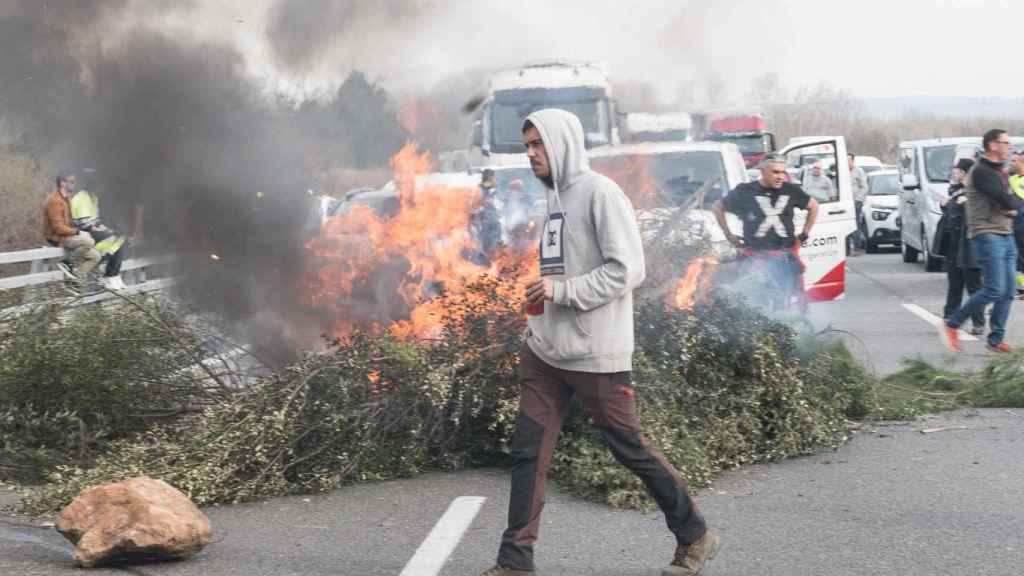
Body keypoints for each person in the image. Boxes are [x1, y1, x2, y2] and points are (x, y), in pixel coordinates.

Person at [481, 109, 719, 576]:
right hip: (545, 351)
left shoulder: (600, 194)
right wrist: (540, 296)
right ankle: (515, 562)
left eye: (538, 145)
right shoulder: (551, 199)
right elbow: (560, 270)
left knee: (628, 446)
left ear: (562, 144)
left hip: (595, 354)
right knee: (529, 451)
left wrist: (562, 292)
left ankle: (695, 534)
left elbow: (628, 269)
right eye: (527, 146)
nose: (531, 154)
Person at [941, 129, 1024, 353]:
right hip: (987, 233)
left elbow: (1011, 201)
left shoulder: (1001, 171)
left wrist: (1011, 205)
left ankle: (995, 341)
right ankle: (953, 323)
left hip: (1005, 233)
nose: (1010, 147)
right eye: (1005, 143)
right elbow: (1005, 200)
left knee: (1007, 291)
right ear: (992, 145)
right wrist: (1012, 206)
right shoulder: (982, 171)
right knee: (994, 288)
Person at [712, 153, 820, 311]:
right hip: (754, 257)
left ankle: (785, 330)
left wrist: (804, 234)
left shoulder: (791, 190)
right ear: (762, 171)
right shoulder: (745, 191)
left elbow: (814, 206)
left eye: (783, 172)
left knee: (784, 301)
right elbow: (717, 207)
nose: (781, 177)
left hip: (783, 257)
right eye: (775, 172)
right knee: (751, 301)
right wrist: (728, 234)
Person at [938, 158, 984, 334]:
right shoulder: (955, 190)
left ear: (964, 173)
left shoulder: (974, 192)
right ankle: (949, 318)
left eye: (956, 171)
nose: (953, 173)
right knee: (954, 283)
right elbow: (951, 215)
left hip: (969, 244)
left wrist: (963, 203)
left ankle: (978, 323)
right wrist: (946, 204)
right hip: (953, 244)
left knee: (974, 286)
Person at [42, 171, 101, 293]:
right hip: (57, 237)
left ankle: (74, 281)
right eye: (71, 182)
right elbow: (59, 228)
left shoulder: (66, 199)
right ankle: (68, 262)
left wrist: (88, 229)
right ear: (63, 183)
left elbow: (70, 222)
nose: (74, 184)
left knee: (96, 256)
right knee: (88, 241)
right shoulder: (55, 201)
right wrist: (79, 233)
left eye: (75, 182)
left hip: (67, 235)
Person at [71, 171, 127, 290]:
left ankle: (114, 274)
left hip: (92, 230)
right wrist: (104, 230)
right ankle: (107, 272)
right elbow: (85, 224)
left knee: (121, 238)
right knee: (113, 239)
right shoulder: (81, 198)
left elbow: (95, 220)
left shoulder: (94, 198)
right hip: (82, 232)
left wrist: (105, 228)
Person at [1008, 151, 1024, 296]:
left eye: (1014, 161)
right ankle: (1021, 287)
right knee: (1018, 256)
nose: (1011, 163)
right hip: (1016, 225)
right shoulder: (1011, 179)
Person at [849, 152, 869, 253]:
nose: (847, 162)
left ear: (853, 160)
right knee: (846, 224)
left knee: (855, 224)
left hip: (856, 202)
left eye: (849, 160)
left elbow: (864, 187)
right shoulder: (843, 172)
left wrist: (858, 199)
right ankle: (847, 249)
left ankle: (857, 247)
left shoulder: (859, 171)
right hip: (846, 203)